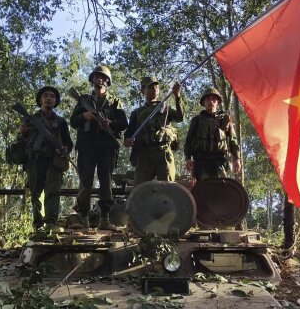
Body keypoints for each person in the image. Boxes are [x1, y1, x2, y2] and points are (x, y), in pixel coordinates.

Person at [70, 65, 128, 231]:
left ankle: (105, 218)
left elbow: (124, 123)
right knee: (85, 182)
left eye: (102, 78)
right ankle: (83, 218)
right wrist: (84, 116)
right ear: (92, 80)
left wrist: (111, 123)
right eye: (96, 77)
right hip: (87, 147)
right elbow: (73, 122)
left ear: (107, 81)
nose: (99, 80)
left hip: (107, 148)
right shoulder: (84, 101)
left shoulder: (116, 102)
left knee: (106, 183)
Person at [19, 86, 73, 232]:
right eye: (45, 96)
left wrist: (64, 149)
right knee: (35, 193)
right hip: (35, 160)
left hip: (53, 161)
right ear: (40, 100)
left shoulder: (61, 121)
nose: (49, 98)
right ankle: (38, 225)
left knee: (53, 192)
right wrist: (22, 133)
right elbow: (21, 142)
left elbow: (68, 143)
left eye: (52, 96)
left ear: (55, 101)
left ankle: (50, 222)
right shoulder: (30, 119)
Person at [124, 76, 183, 185]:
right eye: (150, 87)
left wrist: (177, 97)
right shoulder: (136, 113)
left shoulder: (166, 108)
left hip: (163, 152)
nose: (154, 89)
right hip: (144, 154)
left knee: (167, 188)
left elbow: (179, 118)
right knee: (141, 189)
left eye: (156, 87)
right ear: (143, 90)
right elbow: (128, 135)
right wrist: (127, 141)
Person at [184, 87, 241, 181]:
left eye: (214, 99)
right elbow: (188, 141)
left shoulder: (225, 119)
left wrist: (237, 158)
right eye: (208, 99)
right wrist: (187, 158)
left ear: (218, 102)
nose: (211, 101)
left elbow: (232, 140)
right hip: (201, 162)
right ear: (203, 102)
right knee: (202, 190)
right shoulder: (197, 120)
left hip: (219, 161)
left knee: (220, 190)